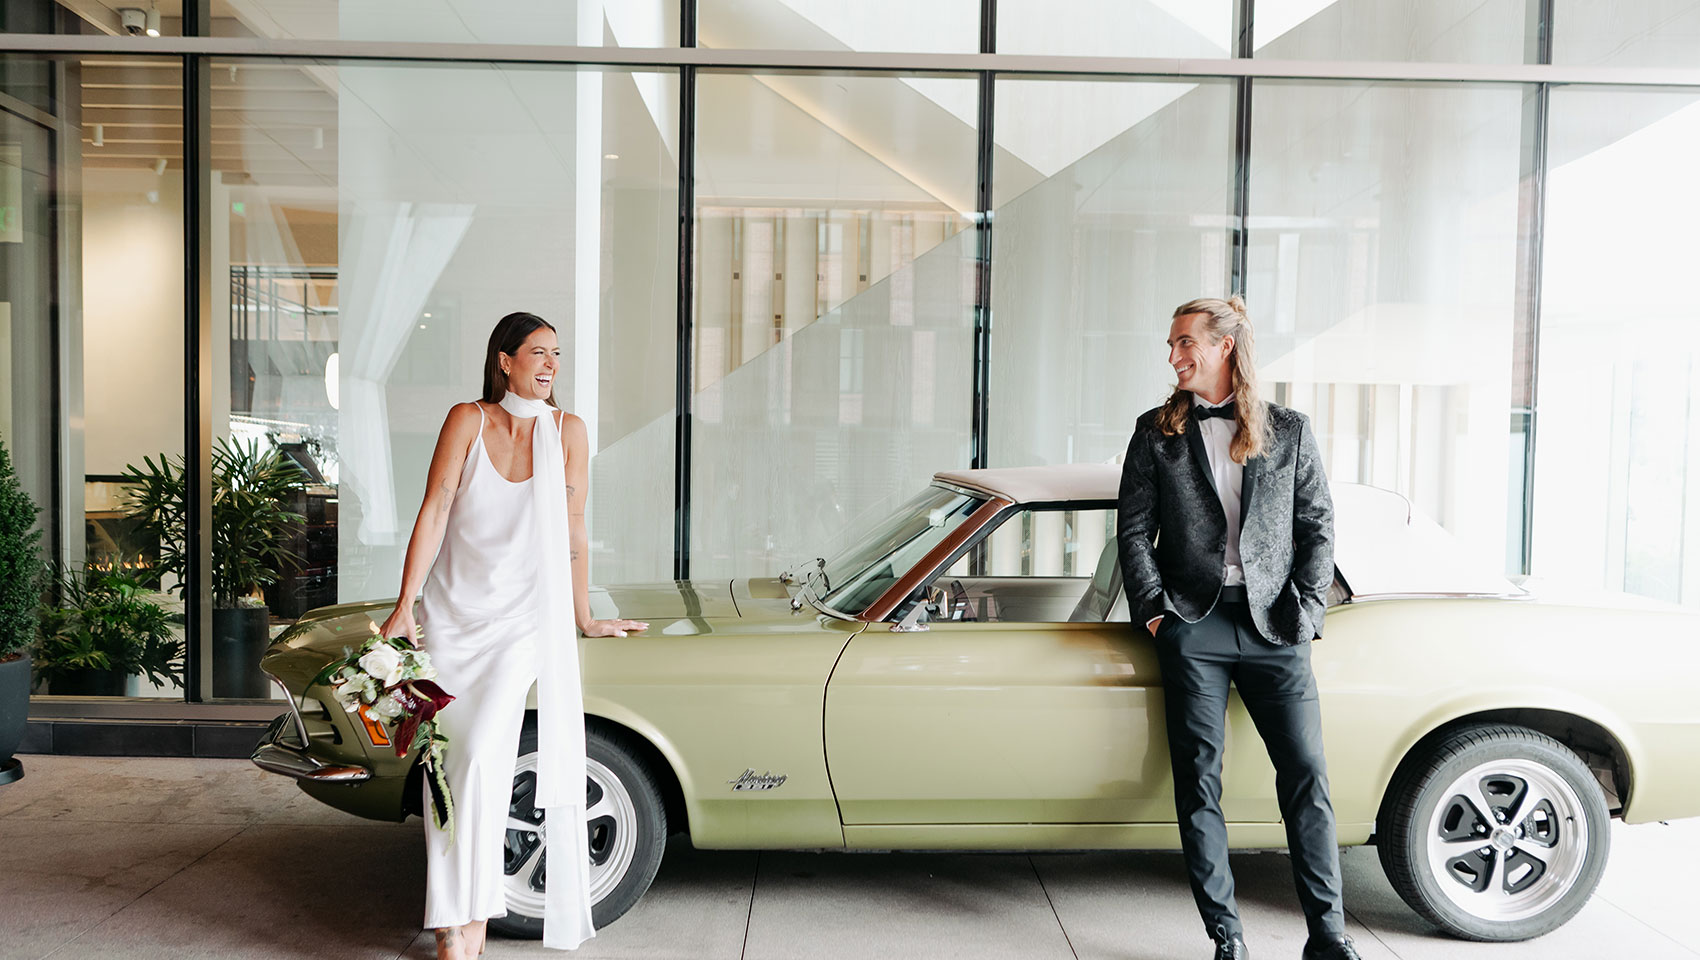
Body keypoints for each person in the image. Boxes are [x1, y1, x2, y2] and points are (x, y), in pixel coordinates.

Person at [378, 312, 648, 960]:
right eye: (537, 351)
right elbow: (436, 507)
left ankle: (465, 926)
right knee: (444, 764)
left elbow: (574, 529)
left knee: (478, 759)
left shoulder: (569, 431)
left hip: (522, 623)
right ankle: (455, 921)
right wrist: (405, 603)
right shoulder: (467, 419)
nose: (551, 364)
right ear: (504, 359)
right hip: (451, 619)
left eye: (557, 353)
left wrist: (582, 617)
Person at [1116, 297, 1358, 960]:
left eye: (1184, 342)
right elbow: (1134, 531)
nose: (1173, 357)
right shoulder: (1155, 431)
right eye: (1171, 345)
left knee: (1307, 775)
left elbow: (1317, 529)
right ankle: (1228, 937)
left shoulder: (1290, 430)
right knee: (1199, 780)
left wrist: (1307, 611)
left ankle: (1328, 936)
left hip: (1275, 627)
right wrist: (1157, 614)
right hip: (1193, 625)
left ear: (1225, 346)